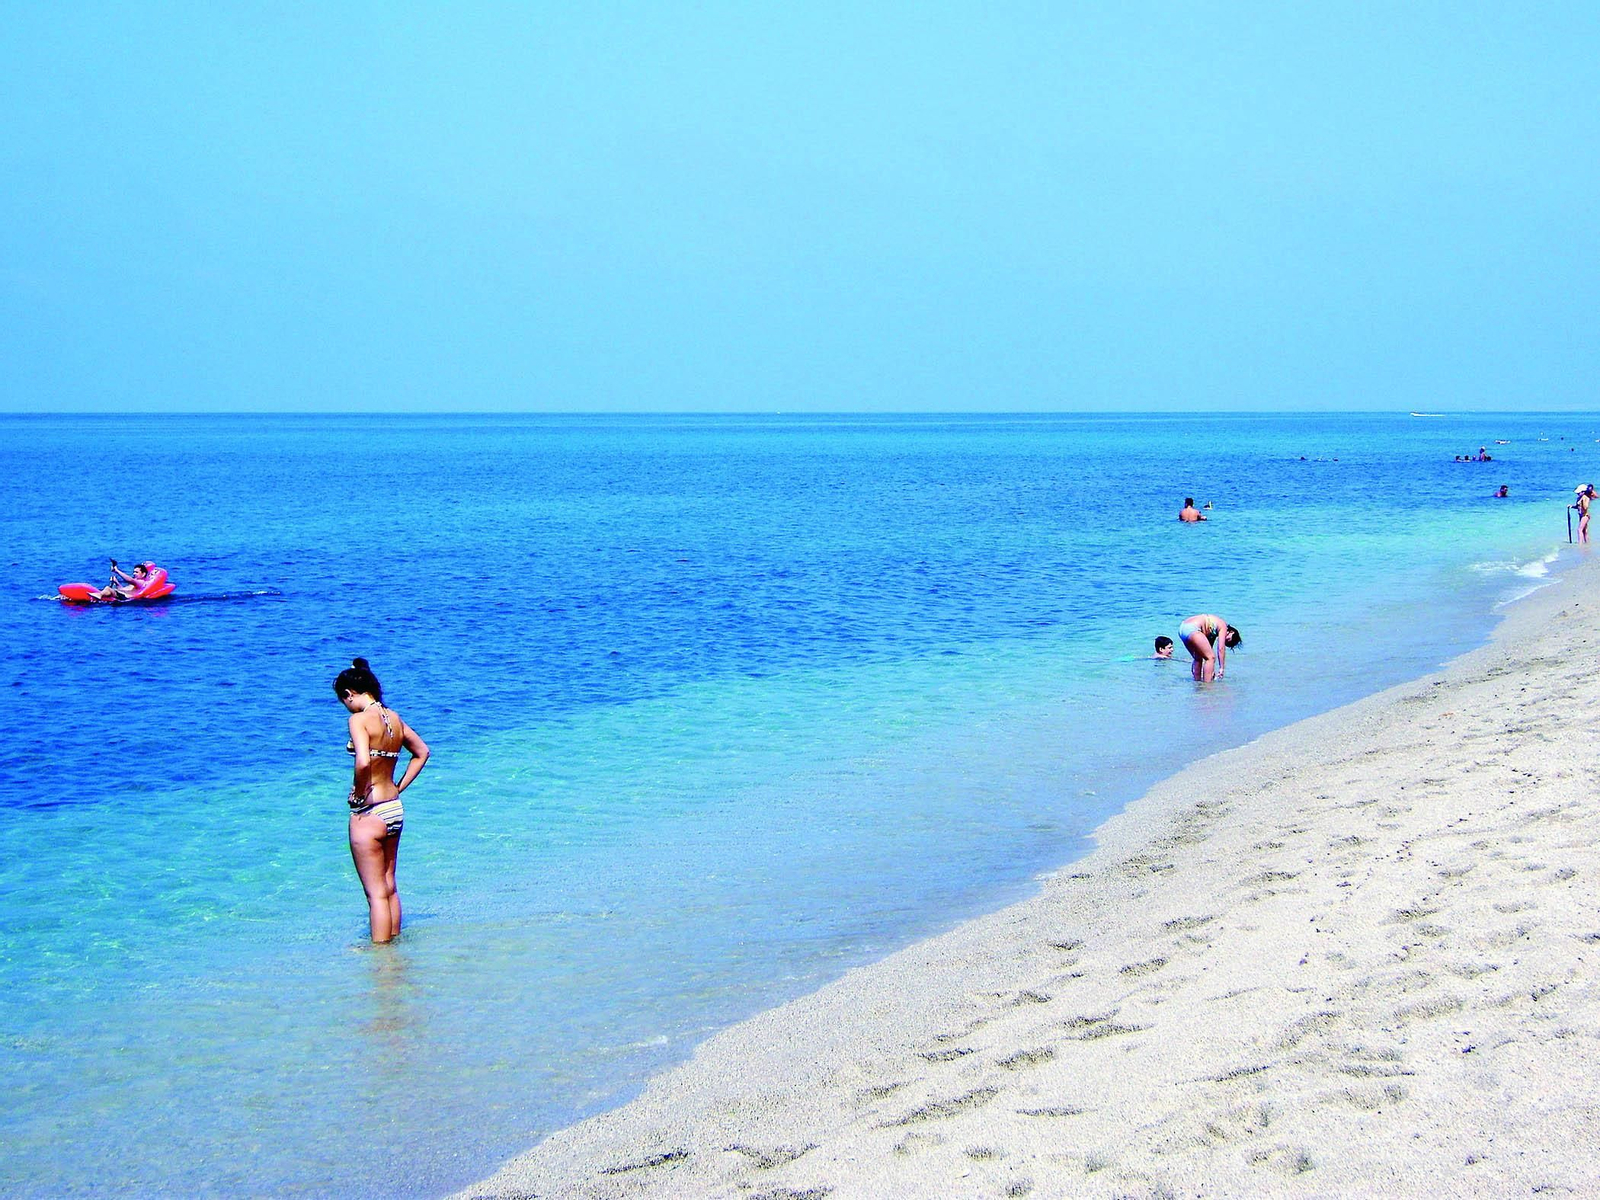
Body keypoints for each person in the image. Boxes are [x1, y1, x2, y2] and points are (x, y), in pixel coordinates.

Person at [333, 657, 430, 943]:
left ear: (349, 694)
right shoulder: (394, 718)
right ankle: (396, 945)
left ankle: (381, 960)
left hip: (370, 811)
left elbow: (363, 762)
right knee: (389, 886)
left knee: (375, 894)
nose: (346, 707)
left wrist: (359, 792)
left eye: (344, 701)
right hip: (394, 807)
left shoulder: (359, 720)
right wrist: (399, 786)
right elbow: (422, 752)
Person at [1177, 614, 1241, 682]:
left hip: (1183, 628)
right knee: (1211, 658)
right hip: (1193, 628)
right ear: (1231, 632)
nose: (1225, 640)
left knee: (1198, 658)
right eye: (1228, 639)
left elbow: (1208, 649)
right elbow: (1221, 649)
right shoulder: (1224, 626)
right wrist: (1221, 668)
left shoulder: (1213, 631)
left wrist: (1211, 671)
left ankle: (1197, 684)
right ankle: (1207, 687)